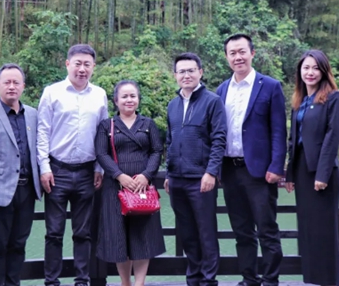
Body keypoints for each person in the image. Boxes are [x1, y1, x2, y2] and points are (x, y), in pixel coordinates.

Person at [216, 34, 287, 286]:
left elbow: (279, 131)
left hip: (259, 171)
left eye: (242, 52)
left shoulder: (270, 86)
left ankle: (270, 280)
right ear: (227, 57)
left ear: (252, 53)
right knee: (241, 230)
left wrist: (277, 166)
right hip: (229, 169)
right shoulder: (221, 90)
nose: (238, 57)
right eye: (232, 53)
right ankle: (249, 278)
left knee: (267, 228)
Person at [37, 44, 108, 286]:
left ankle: (82, 281)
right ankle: (52, 282)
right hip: (57, 171)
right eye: (77, 63)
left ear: (93, 67)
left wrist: (99, 168)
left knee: (83, 233)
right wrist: (44, 167)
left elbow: (103, 134)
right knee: (54, 232)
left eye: (87, 64)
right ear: (67, 64)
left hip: (87, 171)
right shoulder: (52, 92)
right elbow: (43, 132)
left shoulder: (99, 95)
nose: (82, 69)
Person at [0, 63, 42, 286]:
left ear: (23, 86)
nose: (12, 86)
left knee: (18, 245)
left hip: (27, 190)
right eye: (7, 82)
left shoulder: (33, 115)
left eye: (16, 82)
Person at [94, 80, 166, 286]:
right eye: (124, 96)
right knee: (120, 237)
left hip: (142, 188)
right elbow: (101, 153)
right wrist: (119, 175)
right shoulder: (106, 125)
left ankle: (139, 283)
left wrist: (146, 175)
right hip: (115, 188)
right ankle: (125, 282)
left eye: (133, 96)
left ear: (138, 99)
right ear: (116, 101)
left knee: (142, 237)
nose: (129, 100)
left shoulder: (148, 124)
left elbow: (156, 151)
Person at [164, 52, 227, 286]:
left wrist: (211, 172)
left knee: (206, 232)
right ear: (175, 75)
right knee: (187, 233)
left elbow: (219, 139)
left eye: (191, 70)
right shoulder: (173, 104)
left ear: (200, 72)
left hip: (201, 179)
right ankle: (193, 278)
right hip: (177, 179)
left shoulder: (212, 101)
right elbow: (170, 141)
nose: (186, 75)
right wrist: (169, 173)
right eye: (181, 71)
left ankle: (208, 280)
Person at [285, 50, 339, 286]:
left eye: (315, 68)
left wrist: (323, 174)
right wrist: (290, 174)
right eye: (306, 67)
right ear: (300, 71)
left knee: (324, 232)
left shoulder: (333, 97)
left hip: (322, 173)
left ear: (324, 71)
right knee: (308, 230)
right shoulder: (299, 101)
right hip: (301, 171)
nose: (310, 72)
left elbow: (332, 137)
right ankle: (312, 281)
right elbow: (294, 140)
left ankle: (329, 282)